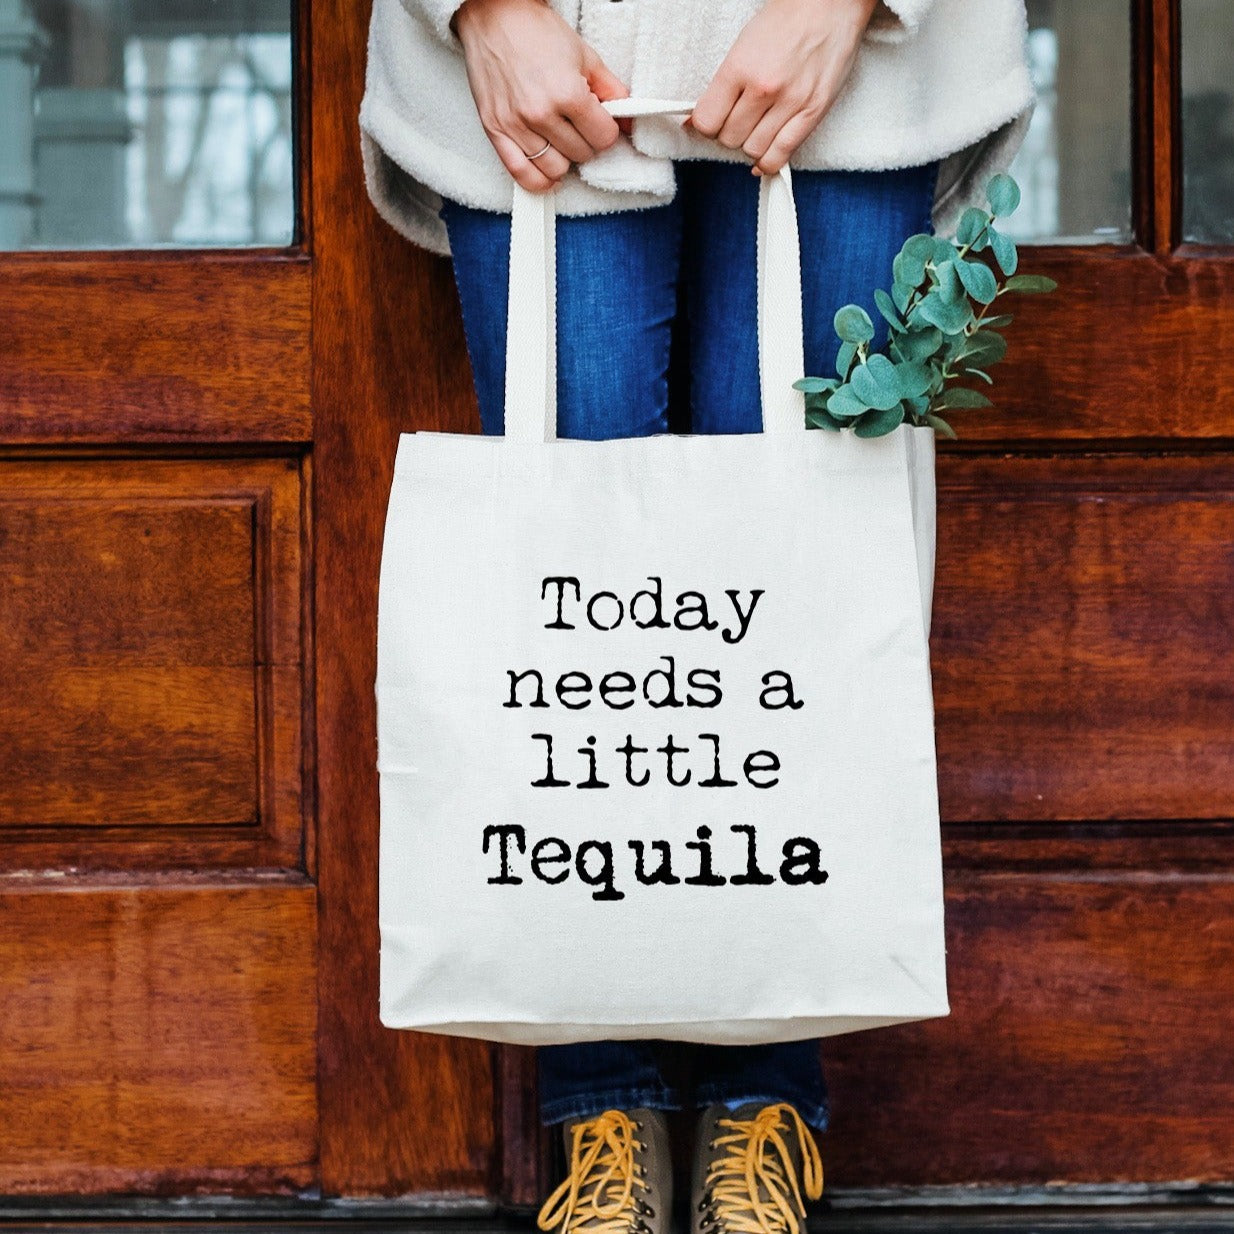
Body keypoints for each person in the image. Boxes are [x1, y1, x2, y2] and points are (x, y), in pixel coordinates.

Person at [360, 1, 1034, 1232]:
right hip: (545, 54)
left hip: (851, 66)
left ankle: (759, 1104)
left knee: (789, 605)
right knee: (577, 643)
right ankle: (601, 1104)